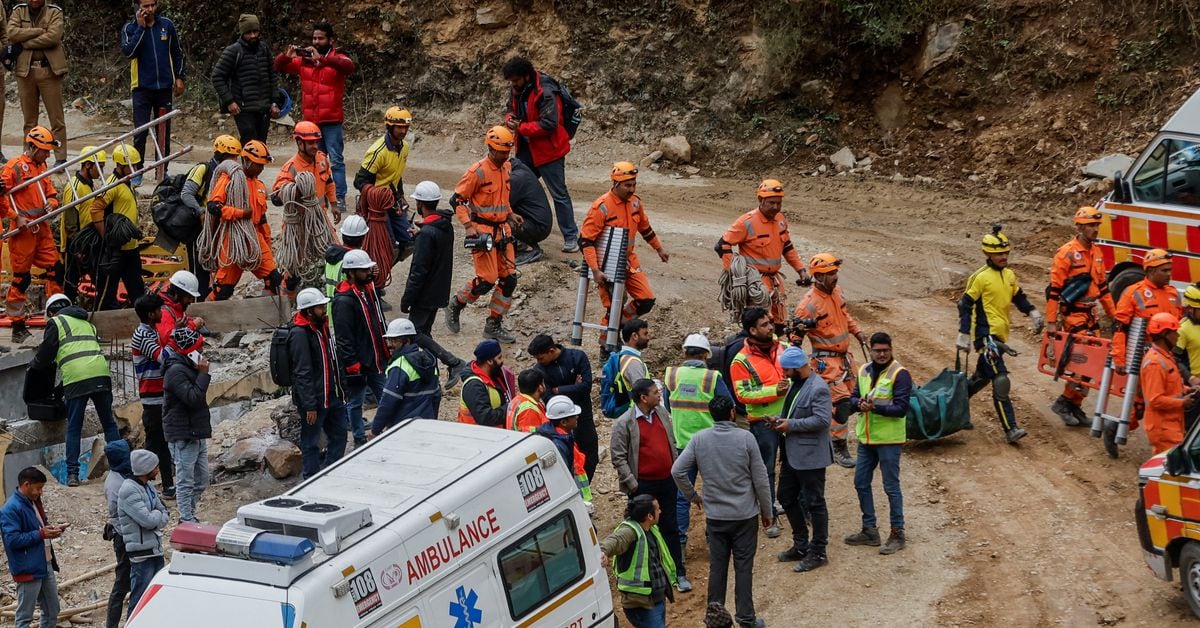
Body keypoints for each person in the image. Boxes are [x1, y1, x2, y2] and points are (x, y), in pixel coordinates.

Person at [673, 395, 771, 628]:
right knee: (743, 568)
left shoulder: (700, 439)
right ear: (732, 413)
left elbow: (677, 471)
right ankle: (746, 619)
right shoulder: (746, 438)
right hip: (744, 515)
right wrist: (767, 511)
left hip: (716, 516)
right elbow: (760, 479)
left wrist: (694, 497)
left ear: (712, 415)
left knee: (717, 568)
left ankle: (715, 620)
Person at [956, 225, 1044, 445]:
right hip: (987, 338)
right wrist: (964, 334)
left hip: (1001, 336)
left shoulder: (1010, 275)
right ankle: (1010, 428)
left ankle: (954, 409)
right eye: (999, 254)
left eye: (1006, 253)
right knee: (1000, 379)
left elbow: (1018, 297)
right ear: (988, 254)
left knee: (981, 378)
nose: (1004, 257)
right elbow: (965, 305)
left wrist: (1032, 312)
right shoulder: (980, 278)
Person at [31, 294, 119, 486]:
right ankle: (120, 467)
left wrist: (34, 367)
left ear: (51, 312)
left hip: (77, 379)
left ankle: (72, 475)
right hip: (101, 374)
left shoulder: (56, 322)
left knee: (74, 427)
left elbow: (46, 354)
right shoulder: (87, 324)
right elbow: (82, 355)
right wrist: (60, 389)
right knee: (109, 424)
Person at [611, 378, 690, 592]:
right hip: (643, 486)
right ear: (643, 398)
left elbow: (671, 442)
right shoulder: (625, 423)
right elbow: (618, 456)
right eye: (655, 392)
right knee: (644, 530)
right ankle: (651, 576)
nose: (659, 394)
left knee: (670, 526)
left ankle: (678, 572)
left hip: (667, 482)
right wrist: (633, 484)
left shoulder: (661, 413)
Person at [579, 162, 670, 345]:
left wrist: (659, 248)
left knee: (646, 300)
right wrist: (595, 270)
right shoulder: (602, 206)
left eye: (634, 184)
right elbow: (585, 241)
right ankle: (606, 346)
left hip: (629, 261)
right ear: (615, 183)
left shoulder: (635, 202)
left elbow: (645, 228)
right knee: (614, 306)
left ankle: (617, 327)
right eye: (627, 185)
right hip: (607, 263)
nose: (632, 189)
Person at [445, 126, 520, 343]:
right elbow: (457, 200)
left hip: (503, 231)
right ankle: (457, 303)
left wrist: (510, 214)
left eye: (508, 151)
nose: (505, 156)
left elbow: (502, 198)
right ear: (491, 148)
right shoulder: (477, 172)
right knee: (487, 280)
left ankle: (493, 323)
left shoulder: (506, 168)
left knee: (509, 279)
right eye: (502, 152)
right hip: (483, 232)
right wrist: (468, 226)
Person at [1045, 207, 1119, 426]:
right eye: (1090, 225)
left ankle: (1073, 404)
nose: (1095, 229)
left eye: (1097, 225)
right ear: (1079, 227)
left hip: (1090, 313)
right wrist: (1051, 323)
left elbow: (1103, 289)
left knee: (1096, 361)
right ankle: (1064, 402)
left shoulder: (1097, 253)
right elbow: (1054, 291)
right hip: (1073, 315)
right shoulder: (1067, 253)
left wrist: (1115, 316)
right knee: (1085, 359)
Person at [793, 253, 866, 468]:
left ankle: (825, 429)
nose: (835, 276)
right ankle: (837, 446)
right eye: (831, 273)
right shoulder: (807, 306)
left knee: (854, 400)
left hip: (844, 360)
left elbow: (845, 316)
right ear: (819, 277)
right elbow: (796, 340)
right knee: (841, 405)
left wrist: (858, 333)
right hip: (826, 363)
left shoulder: (836, 292)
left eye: (835, 272)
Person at [275, 20, 355, 213]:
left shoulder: (337, 59)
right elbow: (278, 66)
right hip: (311, 122)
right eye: (314, 38)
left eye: (321, 38)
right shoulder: (305, 61)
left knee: (336, 160)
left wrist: (323, 60)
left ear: (330, 40)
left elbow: (349, 66)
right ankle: (319, 196)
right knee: (316, 160)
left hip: (332, 119)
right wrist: (286, 56)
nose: (316, 42)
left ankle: (339, 197)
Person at [502, 56, 579, 253]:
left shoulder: (545, 91)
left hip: (549, 151)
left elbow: (549, 124)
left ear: (526, 76)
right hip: (527, 149)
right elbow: (510, 108)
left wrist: (520, 127)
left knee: (559, 194)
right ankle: (519, 232)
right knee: (513, 186)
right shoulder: (518, 88)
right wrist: (510, 119)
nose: (513, 84)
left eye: (515, 80)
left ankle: (571, 237)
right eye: (511, 81)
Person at [1108, 249, 1183, 452]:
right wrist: (1119, 357)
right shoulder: (1134, 293)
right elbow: (1119, 327)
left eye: (1170, 270)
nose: (1169, 274)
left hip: (1168, 355)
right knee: (1146, 401)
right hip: (1143, 356)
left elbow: (1178, 326)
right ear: (1150, 271)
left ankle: (1119, 428)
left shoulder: (1173, 294)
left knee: (1170, 396)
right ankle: (1119, 429)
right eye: (1164, 270)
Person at [663, 333, 731, 550]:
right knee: (714, 491)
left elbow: (667, 404)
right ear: (705, 355)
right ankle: (714, 539)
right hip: (710, 443)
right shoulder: (712, 377)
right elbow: (727, 405)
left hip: (683, 443)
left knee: (682, 496)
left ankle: (680, 543)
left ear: (685, 353)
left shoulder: (672, 375)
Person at [846, 332, 912, 555]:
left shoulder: (900, 374)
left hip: (889, 440)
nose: (882, 354)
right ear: (871, 350)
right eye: (878, 350)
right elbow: (854, 396)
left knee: (891, 487)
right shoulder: (863, 370)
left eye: (886, 350)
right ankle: (870, 530)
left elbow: (901, 408)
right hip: (866, 439)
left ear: (891, 350)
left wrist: (875, 408)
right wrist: (859, 403)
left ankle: (897, 533)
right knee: (860, 482)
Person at [400, 180, 469, 384]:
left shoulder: (427, 233)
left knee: (415, 333)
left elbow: (418, 271)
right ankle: (432, 375)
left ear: (420, 203)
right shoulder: (444, 226)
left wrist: (407, 298)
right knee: (425, 333)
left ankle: (454, 362)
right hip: (438, 290)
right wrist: (420, 235)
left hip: (424, 293)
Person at [773, 346, 833, 573]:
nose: (784, 374)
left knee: (815, 503)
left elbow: (822, 420)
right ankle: (801, 545)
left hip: (810, 456)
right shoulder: (796, 384)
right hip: (791, 454)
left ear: (798, 367)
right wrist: (778, 420)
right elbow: (793, 413)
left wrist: (791, 425)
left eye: (787, 370)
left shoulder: (818, 388)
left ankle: (818, 552)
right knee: (786, 496)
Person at [716, 179, 808, 326]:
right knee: (760, 324)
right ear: (761, 200)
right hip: (756, 282)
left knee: (779, 322)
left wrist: (801, 270)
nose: (776, 207)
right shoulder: (746, 222)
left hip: (774, 280)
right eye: (771, 203)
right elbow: (722, 245)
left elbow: (787, 246)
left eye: (779, 203)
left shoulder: (780, 219)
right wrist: (737, 274)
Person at [730, 307, 787, 538]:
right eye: (764, 324)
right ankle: (769, 514)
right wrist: (774, 391)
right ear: (752, 330)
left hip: (789, 418)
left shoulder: (782, 348)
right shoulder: (741, 361)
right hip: (763, 423)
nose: (771, 327)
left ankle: (792, 506)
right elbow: (743, 394)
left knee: (793, 466)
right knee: (766, 470)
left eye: (770, 322)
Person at [2, 127, 62, 343]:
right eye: (45, 151)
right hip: (23, 232)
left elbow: (51, 194)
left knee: (56, 270)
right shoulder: (14, 167)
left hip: (41, 228)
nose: (48, 155)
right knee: (21, 279)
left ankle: (56, 316)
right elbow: (1, 198)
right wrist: (15, 217)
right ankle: (17, 325)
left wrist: (52, 203)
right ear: (34, 148)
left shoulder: (41, 167)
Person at [209, 140, 283, 300]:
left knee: (274, 279)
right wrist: (241, 213)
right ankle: (206, 313)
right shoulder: (229, 179)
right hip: (232, 240)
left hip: (255, 238)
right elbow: (214, 207)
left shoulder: (260, 186)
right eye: (258, 165)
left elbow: (262, 220)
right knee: (223, 290)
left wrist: (267, 245)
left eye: (263, 165)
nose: (261, 169)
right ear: (247, 161)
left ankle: (267, 312)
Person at [121, 0, 186, 180]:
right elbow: (129, 52)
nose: (150, 9)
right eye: (146, 6)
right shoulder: (130, 28)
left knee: (163, 132)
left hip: (164, 87)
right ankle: (137, 170)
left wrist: (179, 77)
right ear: (137, 6)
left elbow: (177, 52)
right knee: (140, 132)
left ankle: (162, 170)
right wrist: (141, 28)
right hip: (141, 88)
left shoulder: (166, 25)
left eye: (153, 5)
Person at [288, 288, 348, 477]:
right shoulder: (299, 334)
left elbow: (332, 361)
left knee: (340, 435)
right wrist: (310, 406)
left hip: (332, 396)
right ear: (309, 311)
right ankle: (311, 478)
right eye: (320, 307)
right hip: (314, 401)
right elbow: (302, 372)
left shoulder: (321, 327)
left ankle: (330, 472)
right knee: (311, 441)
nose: (324, 310)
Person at [333, 249, 387, 445]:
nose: (368, 273)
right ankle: (359, 437)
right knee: (356, 402)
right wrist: (351, 363)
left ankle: (389, 429)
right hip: (358, 361)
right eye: (364, 271)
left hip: (373, 357)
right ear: (351, 273)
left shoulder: (365, 291)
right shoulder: (344, 301)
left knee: (386, 396)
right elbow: (343, 336)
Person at [600, 494, 676, 628]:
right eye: (657, 509)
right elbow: (615, 540)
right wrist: (603, 551)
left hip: (655, 599)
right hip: (641, 604)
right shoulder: (630, 531)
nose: (660, 511)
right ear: (649, 516)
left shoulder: (651, 529)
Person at [180, 135, 242, 299]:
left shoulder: (228, 174)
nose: (234, 161)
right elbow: (186, 193)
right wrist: (201, 211)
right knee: (199, 269)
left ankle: (209, 297)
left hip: (218, 227)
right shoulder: (203, 169)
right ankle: (197, 301)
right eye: (231, 157)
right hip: (199, 229)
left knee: (215, 267)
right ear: (221, 155)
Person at [1, 467, 62, 628]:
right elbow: (12, 540)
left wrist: (50, 529)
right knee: (24, 617)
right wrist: (41, 534)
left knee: (52, 610)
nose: (40, 492)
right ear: (26, 484)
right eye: (38, 488)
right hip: (28, 568)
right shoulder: (11, 508)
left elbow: (38, 527)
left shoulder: (33, 501)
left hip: (44, 563)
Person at [529, 334, 596, 478]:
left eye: (541, 358)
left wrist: (559, 390)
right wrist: (574, 387)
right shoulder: (540, 370)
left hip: (583, 417)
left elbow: (586, 387)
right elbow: (549, 398)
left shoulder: (577, 357)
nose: (538, 362)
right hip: (559, 424)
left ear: (551, 351)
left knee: (590, 456)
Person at [8, 0, 67, 163]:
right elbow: (11, 33)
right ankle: (28, 156)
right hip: (25, 72)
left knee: (57, 119)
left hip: (49, 70)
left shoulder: (54, 11)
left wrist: (25, 42)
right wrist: (39, 31)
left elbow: (53, 37)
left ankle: (61, 158)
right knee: (29, 120)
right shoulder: (19, 11)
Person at [162, 327, 211, 522]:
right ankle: (186, 518)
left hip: (196, 432)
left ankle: (188, 515)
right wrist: (203, 374)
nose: (202, 352)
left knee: (202, 480)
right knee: (185, 481)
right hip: (183, 434)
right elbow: (193, 398)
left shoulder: (189, 367)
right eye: (199, 348)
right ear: (190, 351)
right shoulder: (176, 372)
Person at [89, 144, 146, 310]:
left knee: (137, 291)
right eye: (131, 166)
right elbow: (95, 209)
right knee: (107, 293)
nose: (135, 169)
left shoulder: (126, 182)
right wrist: (106, 237)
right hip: (117, 250)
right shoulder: (112, 185)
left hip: (131, 248)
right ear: (120, 165)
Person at [354, 107, 414, 260]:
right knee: (389, 247)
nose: (403, 131)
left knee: (410, 242)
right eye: (399, 127)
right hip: (377, 204)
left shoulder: (405, 147)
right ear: (389, 126)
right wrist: (376, 196)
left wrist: (400, 196)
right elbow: (360, 181)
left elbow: (396, 175)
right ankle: (379, 270)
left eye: (406, 127)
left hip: (393, 201)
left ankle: (384, 266)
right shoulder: (377, 152)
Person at [210, 14, 281, 143]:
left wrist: (275, 102)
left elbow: (272, 76)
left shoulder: (264, 49)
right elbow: (217, 76)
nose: (253, 35)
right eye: (249, 32)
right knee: (249, 141)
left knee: (261, 144)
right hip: (243, 108)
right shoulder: (233, 51)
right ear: (242, 33)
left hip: (264, 107)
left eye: (255, 31)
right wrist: (230, 101)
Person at [131, 294, 173, 499]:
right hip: (152, 398)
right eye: (158, 310)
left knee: (161, 444)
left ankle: (167, 485)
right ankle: (143, 486)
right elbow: (164, 357)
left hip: (158, 396)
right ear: (150, 314)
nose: (161, 313)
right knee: (155, 445)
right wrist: (176, 336)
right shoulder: (143, 335)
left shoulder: (151, 332)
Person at [118, 450, 168, 615]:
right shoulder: (129, 490)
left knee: (155, 597)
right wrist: (157, 515)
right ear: (146, 468)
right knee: (139, 600)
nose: (158, 470)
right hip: (142, 555)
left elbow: (164, 511)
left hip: (155, 549)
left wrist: (156, 515)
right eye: (155, 467)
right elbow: (148, 521)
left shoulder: (149, 486)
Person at [370, 317, 441, 434]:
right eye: (388, 340)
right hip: (426, 427)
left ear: (407, 341)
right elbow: (436, 397)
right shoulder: (429, 362)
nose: (389, 344)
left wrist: (375, 431)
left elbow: (387, 403)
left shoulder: (399, 367)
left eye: (394, 341)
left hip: (402, 429)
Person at [1141, 313, 1197, 454]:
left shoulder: (1165, 357)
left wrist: (1187, 389)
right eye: (1175, 332)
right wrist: (1182, 402)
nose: (1178, 336)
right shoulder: (1155, 364)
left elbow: (1170, 386)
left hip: (1171, 424)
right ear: (1164, 334)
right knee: (1171, 464)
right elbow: (1155, 399)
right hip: (1163, 427)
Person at [59, 147, 104, 300]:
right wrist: (77, 249)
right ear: (88, 165)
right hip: (76, 246)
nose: (101, 172)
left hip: (87, 243)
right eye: (99, 167)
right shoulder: (75, 187)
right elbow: (70, 223)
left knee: (98, 278)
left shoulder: (88, 184)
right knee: (71, 284)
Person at [271, 121, 336, 222]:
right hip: (300, 222)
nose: (315, 146)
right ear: (300, 143)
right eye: (311, 143)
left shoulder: (322, 160)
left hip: (321, 218)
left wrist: (334, 204)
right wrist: (294, 192)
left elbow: (329, 183)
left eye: (316, 142)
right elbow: (275, 199)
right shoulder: (291, 168)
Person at [536, 395, 593, 508]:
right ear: (563, 422)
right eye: (573, 416)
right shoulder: (558, 445)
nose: (577, 417)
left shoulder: (562, 435)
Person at [102, 440, 132, 628]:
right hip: (123, 536)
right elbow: (119, 513)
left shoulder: (124, 475)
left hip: (130, 534)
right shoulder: (114, 483)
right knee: (122, 582)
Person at [458, 339, 515, 427]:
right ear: (489, 361)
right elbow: (485, 418)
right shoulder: (474, 386)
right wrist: (511, 408)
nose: (502, 361)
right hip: (476, 434)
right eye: (499, 358)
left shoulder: (495, 374)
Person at [510, 157, 553, 265]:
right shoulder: (520, 169)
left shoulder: (516, 178)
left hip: (537, 227)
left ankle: (525, 249)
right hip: (537, 224)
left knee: (498, 222)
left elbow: (500, 205)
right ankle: (527, 244)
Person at [324, 214, 368, 298]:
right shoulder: (354, 263)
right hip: (347, 304)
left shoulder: (331, 256)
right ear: (363, 238)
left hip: (332, 304)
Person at [155, 270, 205, 343]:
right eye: (189, 297)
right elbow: (169, 342)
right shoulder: (164, 312)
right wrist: (193, 325)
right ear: (177, 294)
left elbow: (179, 319)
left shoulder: (176, 307)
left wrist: (191, 320)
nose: (191, 301)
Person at [1177, 285, 1200, 431]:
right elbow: (1174, 359)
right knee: (1190, 428)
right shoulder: (1183, 329)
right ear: (1191, 308)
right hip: (1194, 388)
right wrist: (1190, 378)